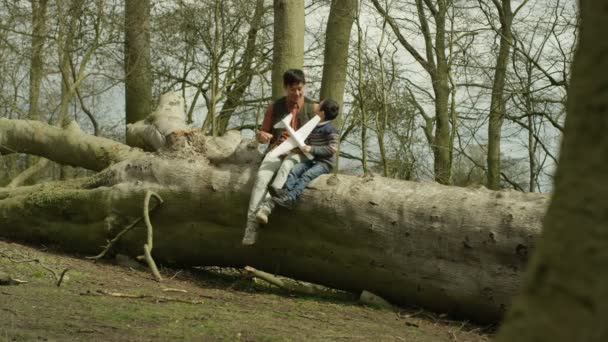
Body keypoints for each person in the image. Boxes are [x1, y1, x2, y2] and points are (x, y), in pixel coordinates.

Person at [241, 69, 318, 246]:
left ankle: (266, 209)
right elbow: (264, 132)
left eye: (300, 88)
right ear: (285, 88)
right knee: (261, 179)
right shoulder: (275, 107)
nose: (297, 93)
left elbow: (319, 138)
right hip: (276, 150)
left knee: (284, 172)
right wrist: (262, 136)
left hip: (298, 154)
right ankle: (251, 226)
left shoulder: (312, 108)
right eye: (293, 90)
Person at [270, 99, 340, 209]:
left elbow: (332, 149)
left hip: (325, 163)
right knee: (295, 170)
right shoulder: (314, 126)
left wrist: (312, 149)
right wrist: (295, 149)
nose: (315, 105)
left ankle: (291, 199)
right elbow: (307, 143)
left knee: (306, 176)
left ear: (322, 113)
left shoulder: (331, 129)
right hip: (313, 159)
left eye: (319, 105)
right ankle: (284, 193)